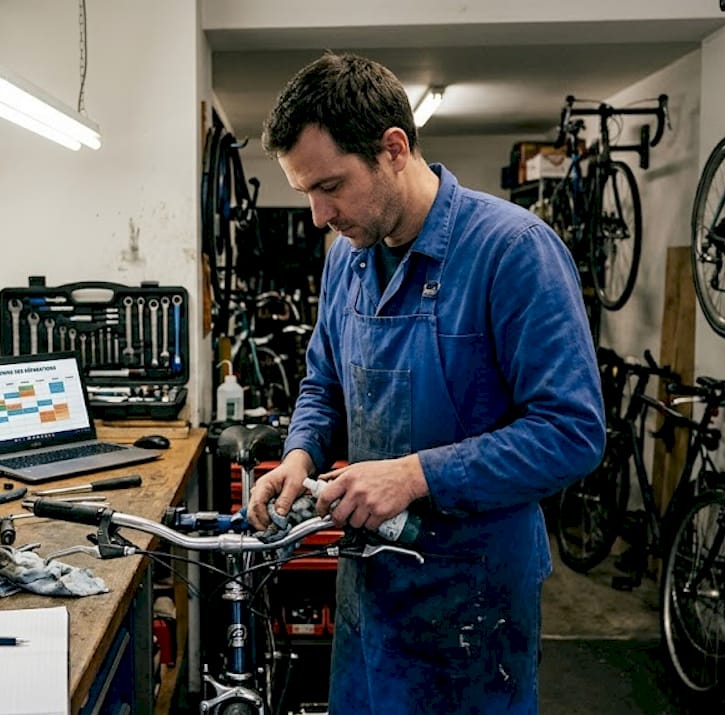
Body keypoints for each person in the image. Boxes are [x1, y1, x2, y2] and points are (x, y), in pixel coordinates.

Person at [247, 53, 606, 714]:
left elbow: (573, 433)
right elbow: (323, 384)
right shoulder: (346, 260)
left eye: (331, 185)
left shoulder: (512, 251)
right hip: (371, 590)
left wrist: (415, 475)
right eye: (305, 192)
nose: (319, 215)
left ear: (393, 149)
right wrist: (300, 453)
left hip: (474, 604)